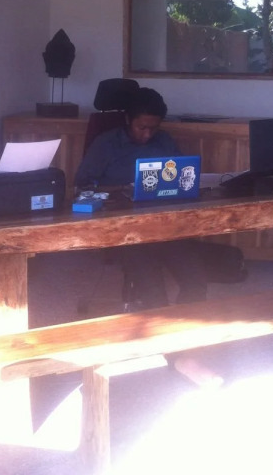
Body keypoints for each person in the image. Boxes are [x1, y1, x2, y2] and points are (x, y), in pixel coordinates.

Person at [75, 87, 222, 387]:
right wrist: (123, 189)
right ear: (128, 120)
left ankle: (183, 341)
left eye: (153, 128)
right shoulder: (106, 144)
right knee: (153, 287)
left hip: (165, 226)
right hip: (125, 230)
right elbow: (83, 185)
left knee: (196, 279)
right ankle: (179, 359)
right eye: (141, 127)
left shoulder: (164, 140)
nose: (147, 134)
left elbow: (180, 176)